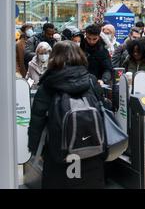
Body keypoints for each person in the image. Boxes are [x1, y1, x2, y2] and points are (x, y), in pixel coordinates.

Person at [27, 41, 106, 189]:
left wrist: (35, 148)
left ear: (54, 57)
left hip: (59, 152)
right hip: (92, 149)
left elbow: (37, 120)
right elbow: (102, 111)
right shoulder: (91, 80)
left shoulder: (48, 85)